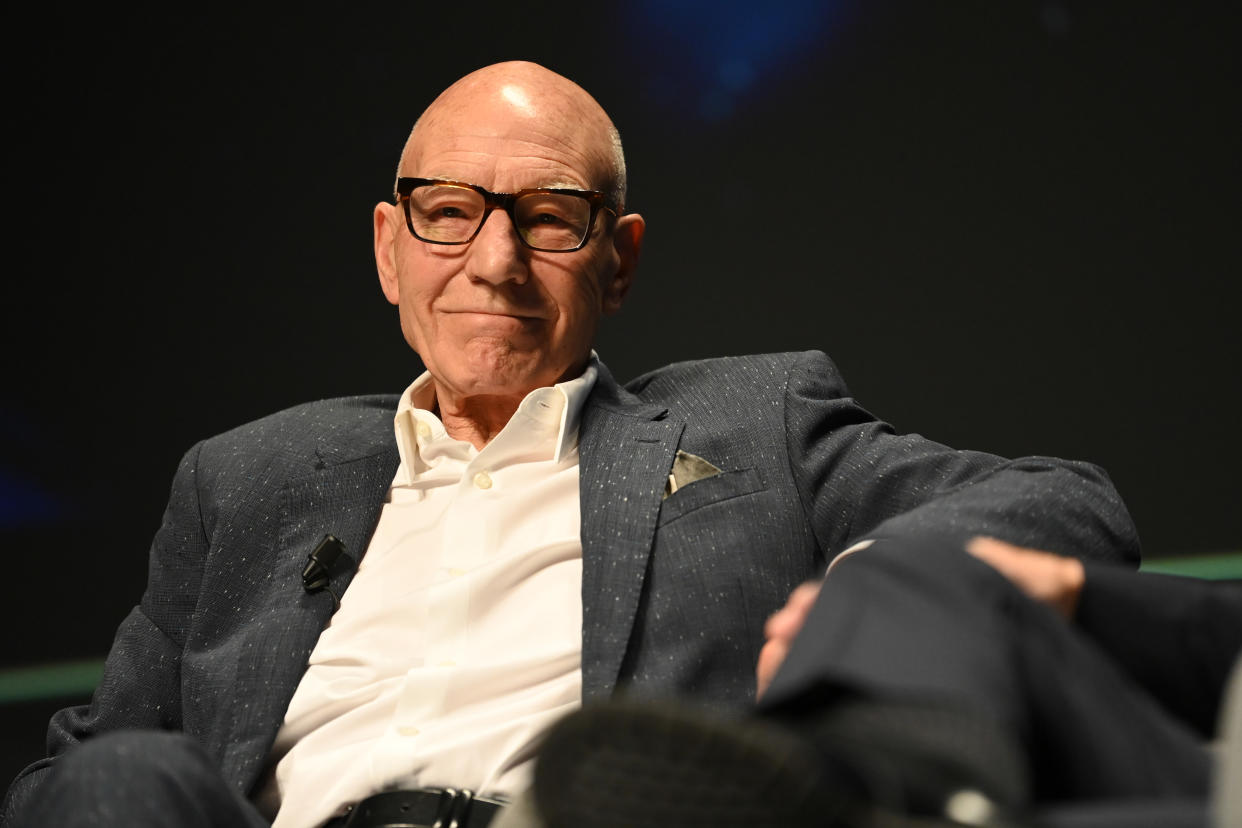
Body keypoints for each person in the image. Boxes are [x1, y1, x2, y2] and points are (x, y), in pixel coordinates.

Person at [2, 61, 1139, 828]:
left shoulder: (754, 424)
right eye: (449, 211)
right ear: (390, 250)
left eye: (549, 218)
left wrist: (878, 590)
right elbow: (76, 774)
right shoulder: (241, 478)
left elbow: (1061, 503)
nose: (494, 261)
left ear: (620, 258)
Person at [527, 537, 1242, 828]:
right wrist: (1078, 590)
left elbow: (1056, 489)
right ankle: (880, 790)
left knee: (893, 570)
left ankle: (868, 788)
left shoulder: (772, 404)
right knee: (896, 569)